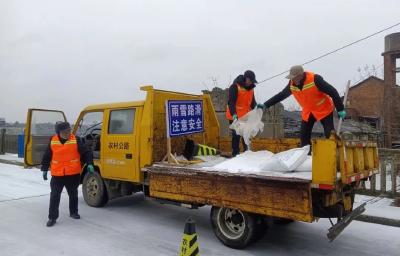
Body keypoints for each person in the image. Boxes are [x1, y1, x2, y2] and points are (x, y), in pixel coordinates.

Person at [258, 65, 346, 148]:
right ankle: (307, 157)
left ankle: (332, 153)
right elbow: (281, 95)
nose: (293, 79)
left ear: (301, 75)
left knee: (329, 134)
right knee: (304, 136)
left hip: (323, 109)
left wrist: (340, 109)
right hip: (308, 111)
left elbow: (333, 92)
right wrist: (266, 104)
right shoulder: (291, 84)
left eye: (294, 77)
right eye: (291, 77)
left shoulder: (315, 79)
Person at [41, 121, 94, 227]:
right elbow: (47, 155)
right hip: (57, 174)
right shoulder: (53, 140)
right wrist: (45, 169)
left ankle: (73, 212)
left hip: (72, 173)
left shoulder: (76, 139)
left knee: (73, 194)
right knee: (55, 195)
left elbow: (86, 152)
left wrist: (89, 163)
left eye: (69, 130)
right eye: (65, 131)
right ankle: (52, 217)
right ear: (58, 132)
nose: (68, 133)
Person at [226, 70, 258, 157]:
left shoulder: (251, 89)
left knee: (246, 135)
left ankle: (246, 154)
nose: (251, 82)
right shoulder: (235, 86)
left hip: (245, 116)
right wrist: (234, 115)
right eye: (250, 80)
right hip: (235, 116)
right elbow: (231, 102)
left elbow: (252, 102)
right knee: (236, 135)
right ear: (246, 78)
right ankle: (235, 154)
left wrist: (257, 108)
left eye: (252, 81)